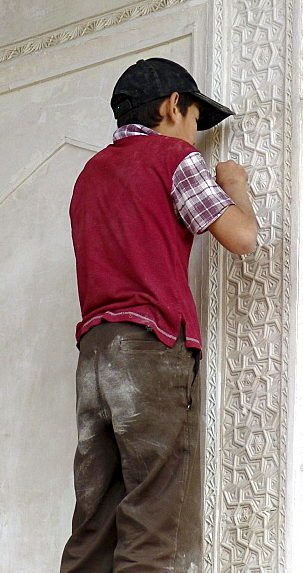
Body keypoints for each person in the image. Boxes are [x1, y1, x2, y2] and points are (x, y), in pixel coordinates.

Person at [61, 58, 257, 572]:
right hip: (150, 348)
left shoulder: (90, 173)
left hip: (95, 352)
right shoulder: (174, 157)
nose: (195, 133)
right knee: (151, 518)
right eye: (195, 119)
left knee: (94, 522)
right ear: (174, 106)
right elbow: (242, 238)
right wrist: (234, 186)